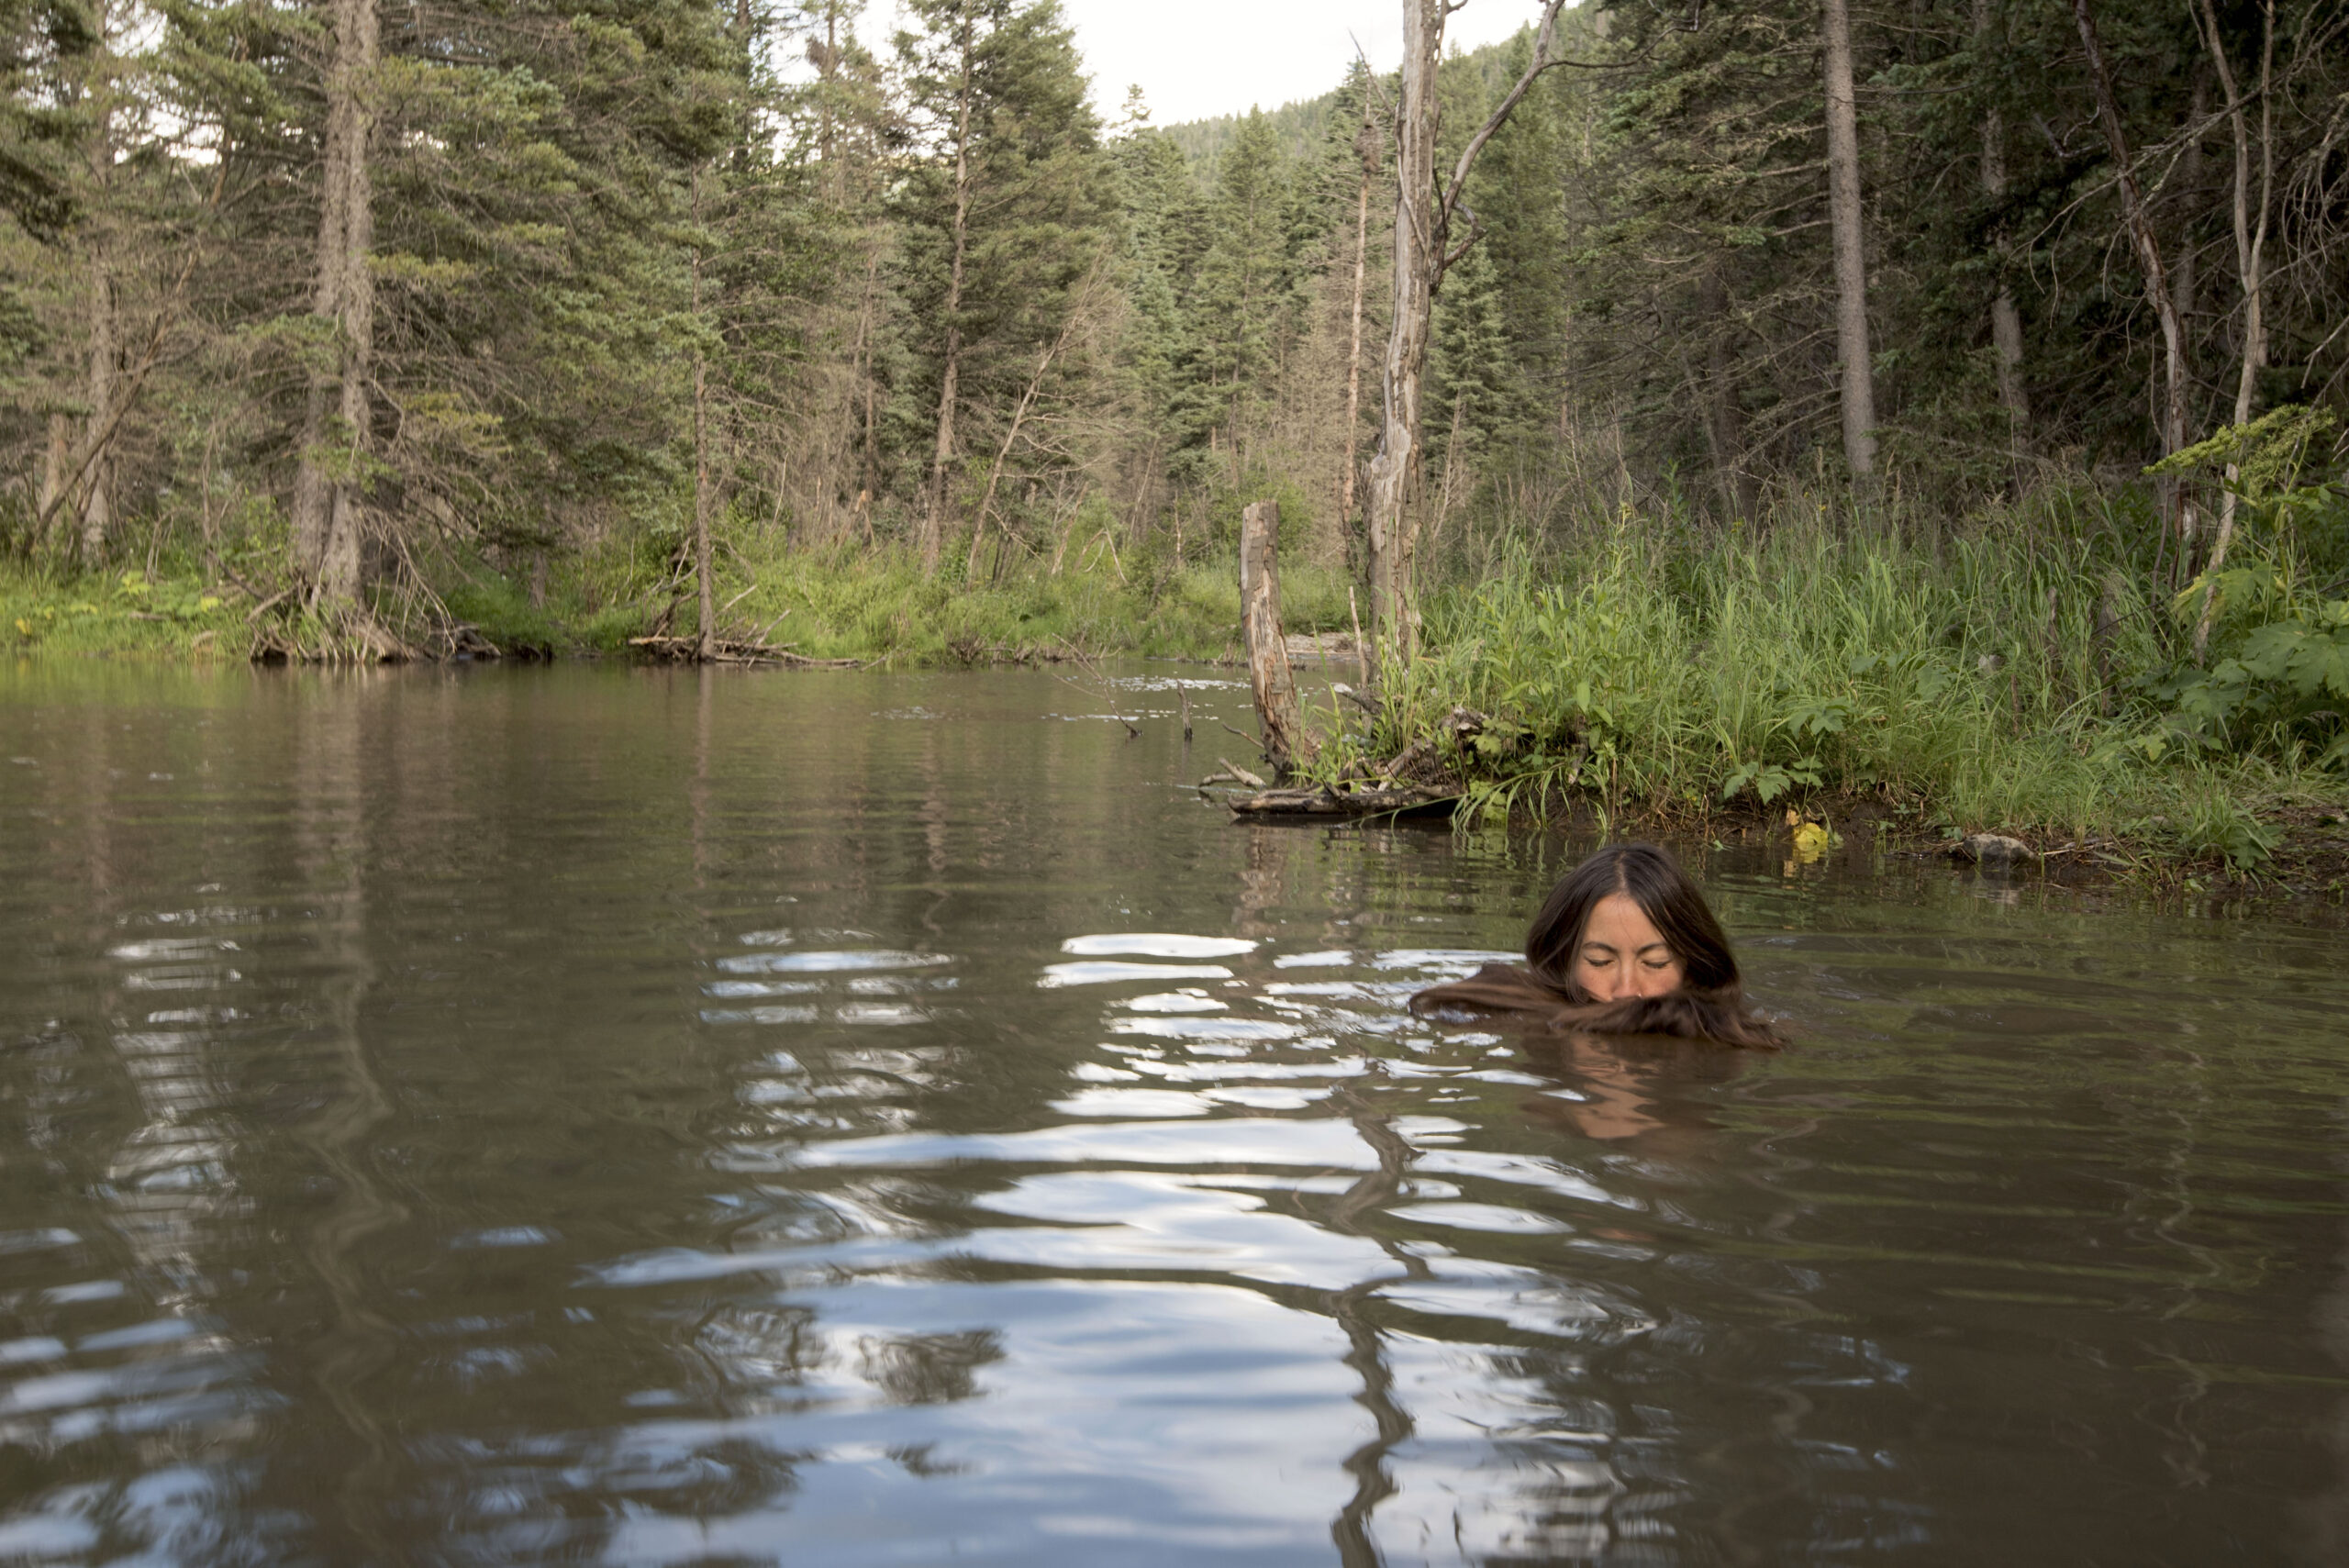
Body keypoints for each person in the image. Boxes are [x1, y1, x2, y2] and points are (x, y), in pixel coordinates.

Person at [1408, 842, 1783, 1048]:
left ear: (1692, 964)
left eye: (1654, 963)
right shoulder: (1501, 1012)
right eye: (1600, 961)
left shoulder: (1734, 1036)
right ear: (1565, 960)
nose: (1626, 991)